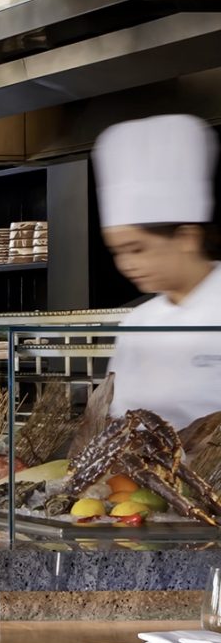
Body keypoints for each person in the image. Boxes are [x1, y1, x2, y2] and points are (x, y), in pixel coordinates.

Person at [95, 113, 221, 429]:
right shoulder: (137, 322)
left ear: (187, 238)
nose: (126, 264)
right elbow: (118, 416)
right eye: (117, 252)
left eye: (137, 249)